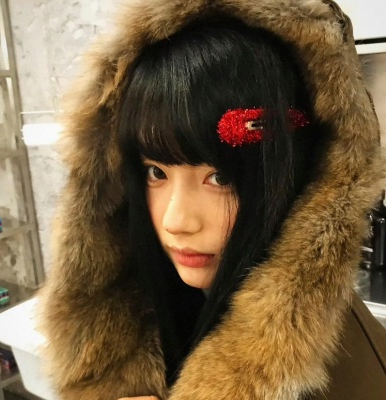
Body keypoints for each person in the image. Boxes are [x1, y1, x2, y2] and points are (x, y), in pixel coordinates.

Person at [37, 0, 386, 399]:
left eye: (220, 177)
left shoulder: (348, 377)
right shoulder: (157, 306)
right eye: (156, 173)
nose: (176, 221)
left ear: (301, 177)